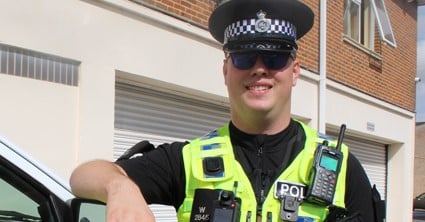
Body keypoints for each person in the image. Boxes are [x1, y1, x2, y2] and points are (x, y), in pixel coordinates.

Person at [70, 0, 377, 221]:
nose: (259, 70)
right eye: (244, 58)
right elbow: (82, 176)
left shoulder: (341, 168)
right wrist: (119, 187)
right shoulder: (189, 160)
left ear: (295, 71)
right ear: (226, 71)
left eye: (274, 58)